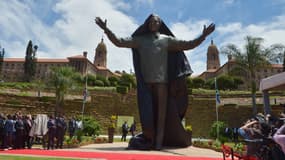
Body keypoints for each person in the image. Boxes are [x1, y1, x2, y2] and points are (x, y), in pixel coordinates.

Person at [95, 14, 214, 150]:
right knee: (147, 115)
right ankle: (149, 138)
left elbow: (188, 44)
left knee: (162, 115)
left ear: (160, 24)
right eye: (151, 21)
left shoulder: (167, 40)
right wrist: (106, 29)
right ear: (147, 23)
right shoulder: (139, 40)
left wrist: (203, 35)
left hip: (162, 84)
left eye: (156, 21)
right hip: (146, 85)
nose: (153, 23)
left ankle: (158, 143)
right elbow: (119, 42)